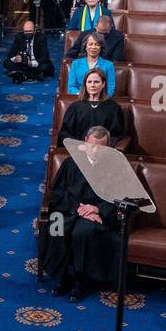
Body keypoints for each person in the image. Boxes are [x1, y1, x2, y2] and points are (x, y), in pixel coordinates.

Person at [41, 126, 123, 302]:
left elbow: (119, 197)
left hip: (97, 214)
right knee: (56, 228)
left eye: (100, 147)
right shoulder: (71, 163)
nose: (95, 150)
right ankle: (62, 278)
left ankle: (79, 282)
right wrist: (79, 209)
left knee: (82, 233)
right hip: (69, 209)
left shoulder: (115, 167)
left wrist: (97, 209)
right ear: (85, 142)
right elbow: (58, 193)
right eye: (92, 146)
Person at [60, 70, 126, 146]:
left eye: (96, 82)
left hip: (103, 151)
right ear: (85, 84)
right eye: (89, 82)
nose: (92, 85)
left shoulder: (113, 108)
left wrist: (102, 147)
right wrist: (77, 146)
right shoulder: (75, 107)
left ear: (103, 84)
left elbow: (116, 135)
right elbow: (65, 133)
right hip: (78, 151)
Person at [66, 31, 116, 95]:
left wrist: (98, 98)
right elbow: (72, 87)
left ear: (101, 47)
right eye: (90, 44)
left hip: (101, 100)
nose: (93, 47)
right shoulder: (76, 64)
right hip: (80, 99)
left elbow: (110, 89)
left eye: (97, 44)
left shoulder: (109, 65)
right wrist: (83, 96)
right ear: (85, 47)